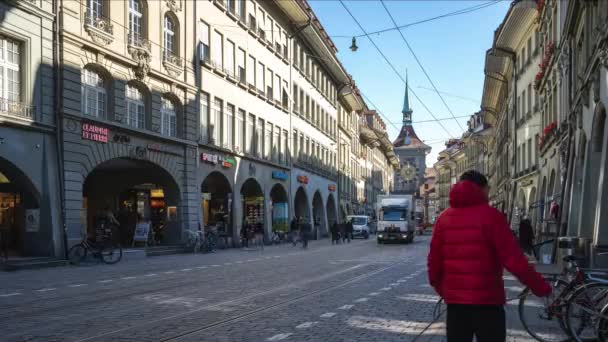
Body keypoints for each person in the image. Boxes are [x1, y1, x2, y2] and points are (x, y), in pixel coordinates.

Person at [428, 170, 551, 342]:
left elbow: (434, 263)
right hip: (488, 303)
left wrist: (446, 291)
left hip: (456, 306)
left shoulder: (443, 218)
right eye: (488, 188)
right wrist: (540, 287)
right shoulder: (492, 216)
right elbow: (514, 259)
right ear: (482, 189)